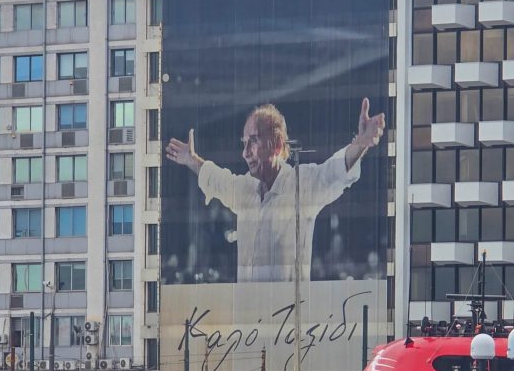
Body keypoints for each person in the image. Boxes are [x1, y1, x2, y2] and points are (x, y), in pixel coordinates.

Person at [165, 98, 385, 283]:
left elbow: (334, 172)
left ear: (277, 144)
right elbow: (217, 179)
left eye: (253, 141)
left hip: (287, 318)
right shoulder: (244, 189)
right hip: (247, 319)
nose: (245, 153)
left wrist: (361, 143)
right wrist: (191, 159)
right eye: (244, 143)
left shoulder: (301, 186)